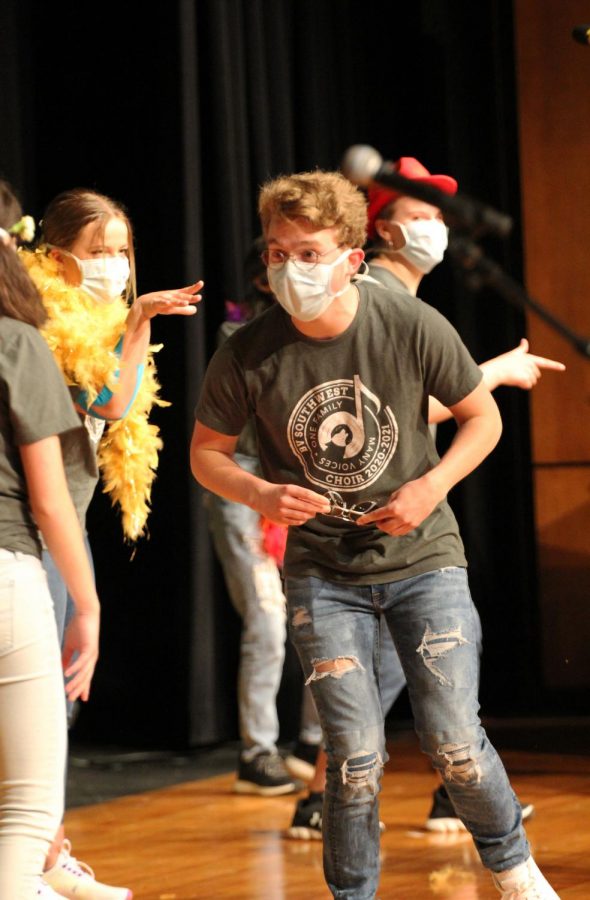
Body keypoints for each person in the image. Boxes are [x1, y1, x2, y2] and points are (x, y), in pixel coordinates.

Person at [191, 170, 559, 899]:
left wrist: (431, 486)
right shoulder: (247, 351)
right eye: (276, 252)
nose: (289, 269)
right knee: (354, 757)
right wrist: (260, 490)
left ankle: (515, 871)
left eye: (308, 253)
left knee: (454, 743)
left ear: (352, 257)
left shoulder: (409, 323)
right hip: (324, 574)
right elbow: (206, 454)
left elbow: (481, 417)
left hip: (423, 561)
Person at [288, 156, 565, 841]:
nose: (436, 230)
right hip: (369, 523)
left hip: (402, 517)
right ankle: (336, 799)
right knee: (395, 661)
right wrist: (494, 372)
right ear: (381, 229)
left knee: (408, 662)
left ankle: (387, 796)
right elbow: (395, 409)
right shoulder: (378, 293)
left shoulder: (405, 297)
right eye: (421, 216)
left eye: (441, 218)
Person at [20, 188, 202, 900]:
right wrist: (137, 324)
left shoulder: (97, 321)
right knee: (41, 694)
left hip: (63, 521)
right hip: (32, 529)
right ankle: (32, 857)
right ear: (55, 256)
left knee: (58, 695)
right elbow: (109, 402)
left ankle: (48, 850)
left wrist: (125, 323)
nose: (115, 266)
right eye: (99, 252)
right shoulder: (44, 323)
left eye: (122, 251)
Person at [0, 198, 100, 898]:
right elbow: (49, 498)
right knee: (27, 810)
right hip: (6, 573)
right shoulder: (15, 341)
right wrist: (86, 605)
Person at [205, 238, 321, 795]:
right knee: (268, 619)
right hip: (246, 484)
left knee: (321, 614)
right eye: (283, 263)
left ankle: (313, 743)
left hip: (302, 483)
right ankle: (257, 750)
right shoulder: (239, 335)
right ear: (261, 279)